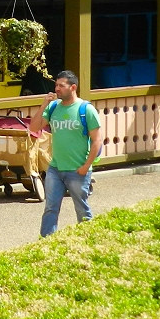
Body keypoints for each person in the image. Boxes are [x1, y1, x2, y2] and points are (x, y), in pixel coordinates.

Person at [32, 70, 102, 237]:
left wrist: (86, 166)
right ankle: (46, 242)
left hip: (78, 169)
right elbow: (33, 128)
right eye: (56, 85)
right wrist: (43, 104)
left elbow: (97, 141)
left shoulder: (86, 110)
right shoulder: (53, 107)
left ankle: (88, 239)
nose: (57, 89)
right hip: (55, 168)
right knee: (50, 207)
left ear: (73, 87)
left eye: (61, 86)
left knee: (81, 207)